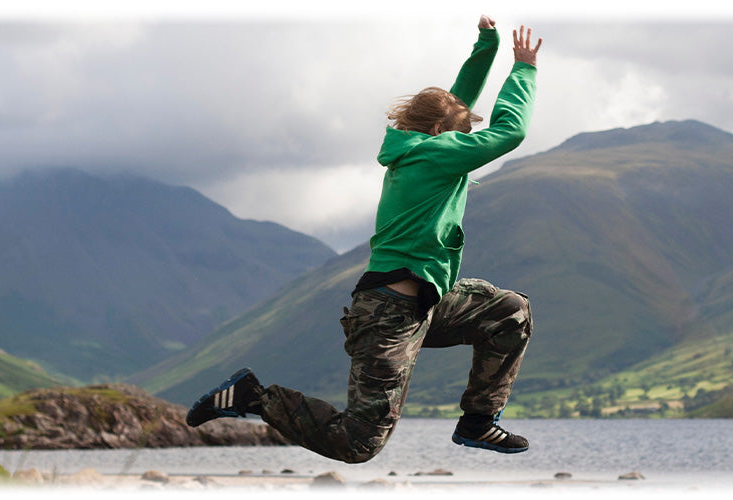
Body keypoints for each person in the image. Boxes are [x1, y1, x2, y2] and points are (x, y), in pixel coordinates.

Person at [186, 15, 541, 464]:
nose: (468, 141)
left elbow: (456, 104)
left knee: (510, 311)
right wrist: (524, 68)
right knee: (358, 444)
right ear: (440, 135)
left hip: (429, 301)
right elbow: (511, 132)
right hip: (388, 316)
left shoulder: (420, 145)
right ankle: (254, 397)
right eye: (463, 134)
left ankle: (476, 423)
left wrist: (486, 46)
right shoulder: (433, 155)